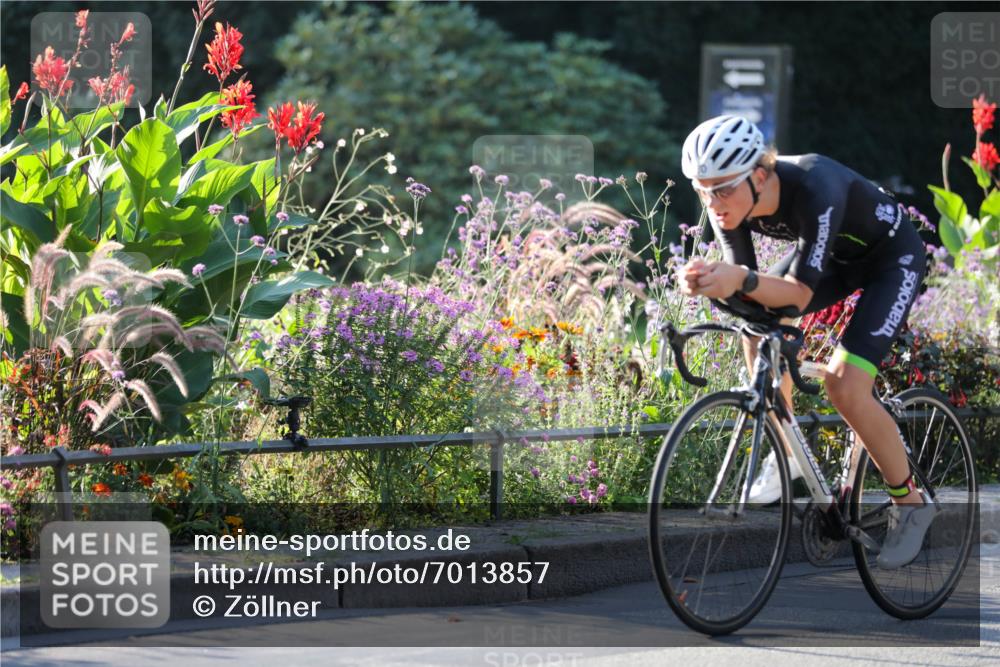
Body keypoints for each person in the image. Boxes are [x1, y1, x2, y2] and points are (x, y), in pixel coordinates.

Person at [676, 114, 938, 569]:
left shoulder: (816, 186)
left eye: (721, 189)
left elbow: (797, 294)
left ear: (760, 173)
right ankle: (786, 453)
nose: (712, 202)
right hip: (837, 259)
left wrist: (739, 279)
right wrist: (711, 281)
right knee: (756, 325)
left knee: (845, 385)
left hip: (890, 260)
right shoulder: (728, 205)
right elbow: (749, 285)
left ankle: (911, 505)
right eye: (702, 189)